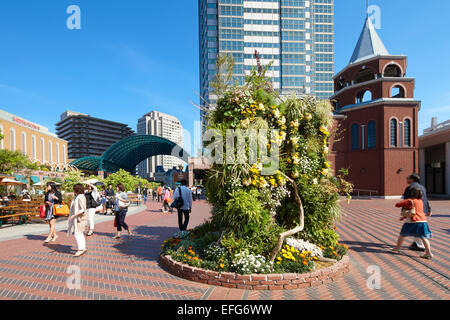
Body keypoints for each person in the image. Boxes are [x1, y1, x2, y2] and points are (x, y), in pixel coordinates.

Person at [392, 187, 433, 260]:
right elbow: (414, 211)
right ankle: (428, 253)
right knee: (423, 237)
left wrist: (404, 202)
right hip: (422, 221)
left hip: (411, 222)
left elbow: (397, 205)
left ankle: (397, 248)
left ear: (411, 193)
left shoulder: (409, 201)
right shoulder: (420, 201)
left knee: (402, 235)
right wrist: (404, 217)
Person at [403, 173, 432, 252]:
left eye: (408, 178)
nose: (407, 180)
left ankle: (420, 245)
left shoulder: (410, 188)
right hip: (422, 210)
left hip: (413, 211)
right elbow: (425, 199)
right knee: (417, 226)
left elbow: (407, 201)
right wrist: (428, 209)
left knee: (411, 227)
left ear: (412, 179)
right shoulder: (422, 187)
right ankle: (417, 243)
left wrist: (404, 212)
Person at [67, 184, 88, 257]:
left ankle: (80, 249)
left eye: (74, 189)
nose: (73, 190)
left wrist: (73, 215)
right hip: (79, 218)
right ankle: (83, 248)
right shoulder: (78, 197)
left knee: (77, 233)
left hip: (80, 219)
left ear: (77, 190)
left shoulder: (80, 197)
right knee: (80, 233)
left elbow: (83, 209)